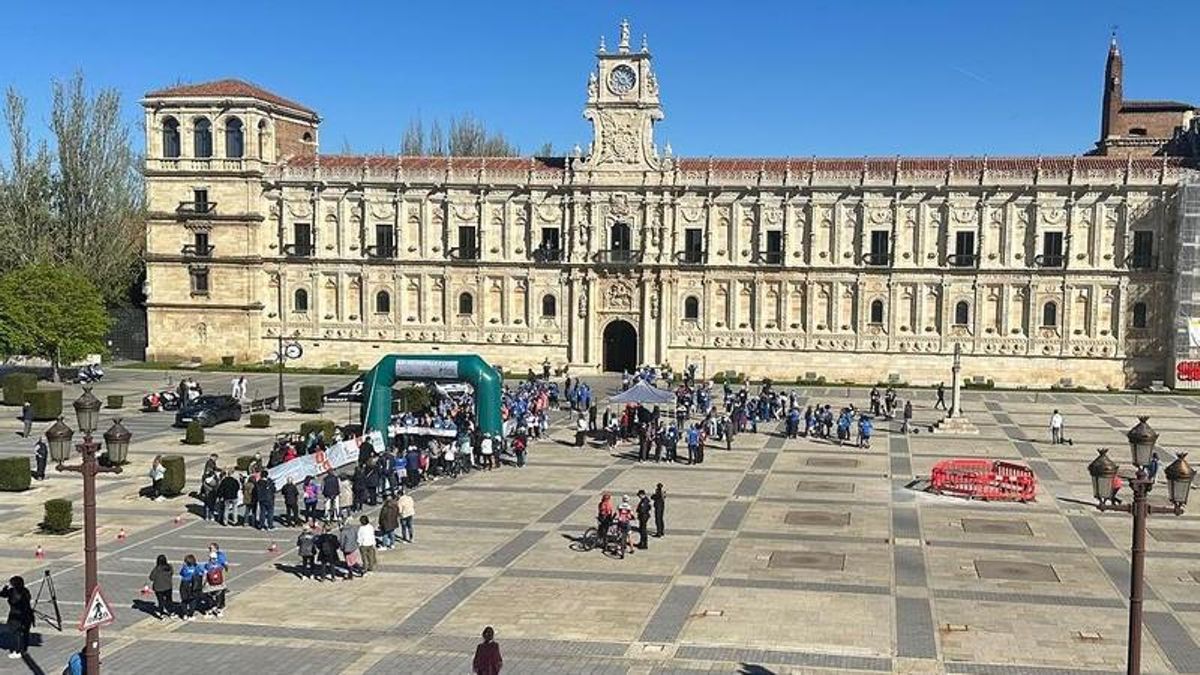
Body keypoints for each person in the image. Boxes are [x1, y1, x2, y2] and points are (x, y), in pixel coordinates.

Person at [2, 575, 33, 660]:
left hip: (15, 616)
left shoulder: (12, 592)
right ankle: (24, 650)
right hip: (27, 615)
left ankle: (17, 651)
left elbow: (2, 594)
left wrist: (5, 588)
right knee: (25, 633)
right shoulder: (25, 591)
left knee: (16, 634)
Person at [178, 554, 204, 620]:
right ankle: (191, 614)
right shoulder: (196, 567)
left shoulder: (185, 568)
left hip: (184, 584)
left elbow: (181, 573)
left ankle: (185, 614)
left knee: (184, 599)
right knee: (192, 600)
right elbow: (201, 572)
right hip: (193, 584)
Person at [202, 550, 228, 618]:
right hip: (219, 585)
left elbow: (205, 576)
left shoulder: (207, 566)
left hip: (210, 585)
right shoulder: (220, 566)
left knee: (209, 597)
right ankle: (219, 611)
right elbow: (223, 575)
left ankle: (210, 611)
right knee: (219, 598)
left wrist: (203, 585)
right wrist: (224, 584)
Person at [148, 554, 174, 620]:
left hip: (158, 588)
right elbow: (172, 573)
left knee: (161, 601)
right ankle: (171, 612)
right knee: (169, 600)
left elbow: (151, 578)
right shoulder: (169, 567)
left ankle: (161, 614)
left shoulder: (156, 569)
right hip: (168, 587)